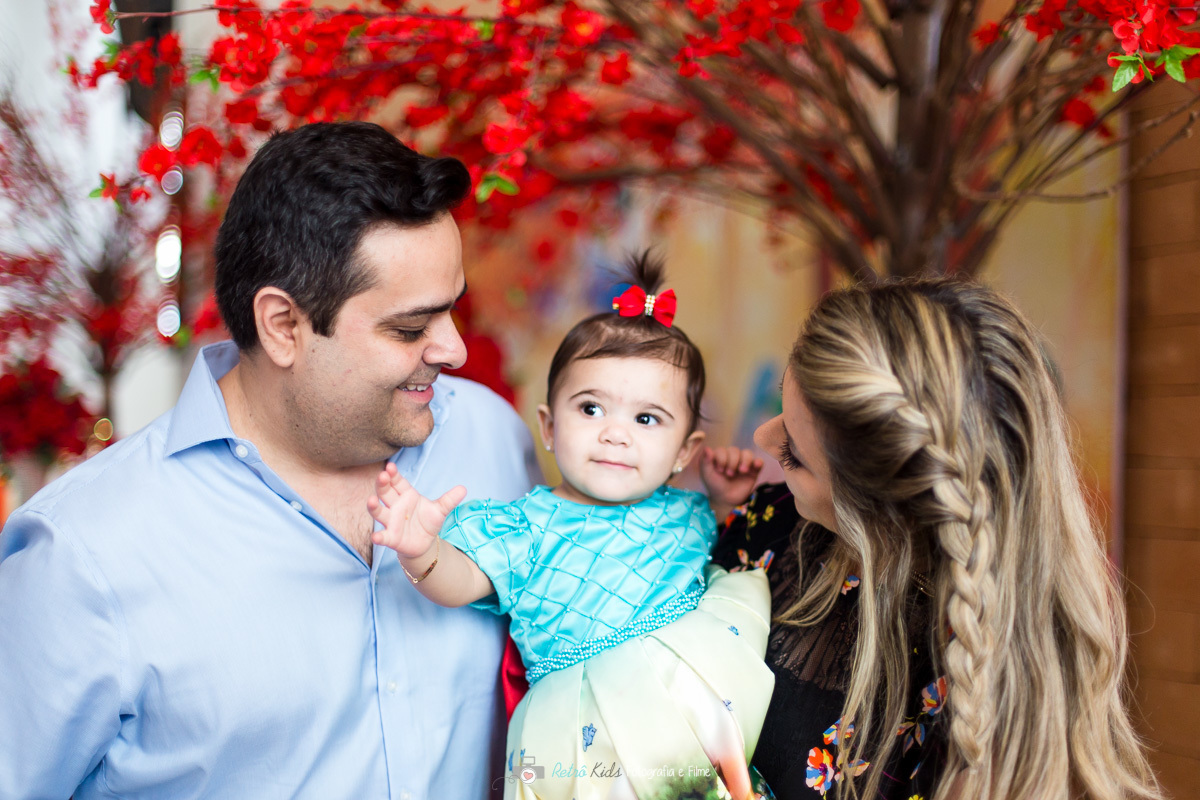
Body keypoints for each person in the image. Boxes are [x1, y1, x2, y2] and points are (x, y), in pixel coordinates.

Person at [0, 121, 539, 799]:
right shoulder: (83, 558)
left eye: (451, 310)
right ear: (283, 326)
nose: (455, 350)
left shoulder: (494, 440)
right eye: (409, 328)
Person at [714, 278, 1161, 800]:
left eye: (794, 453)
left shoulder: (979, 702)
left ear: (887, 514)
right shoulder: (771, 525)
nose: (763, 439)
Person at [370, 253, 774, 800]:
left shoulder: (689, 513)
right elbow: (461, 579)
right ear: (549, 427)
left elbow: (721, 550)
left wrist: (726, 502)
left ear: (685, 451)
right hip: (582, 748)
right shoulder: (525, 526)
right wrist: (423, 552)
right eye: (590, 409)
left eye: (646, 419)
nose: (615, 434)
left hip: (689, 743)